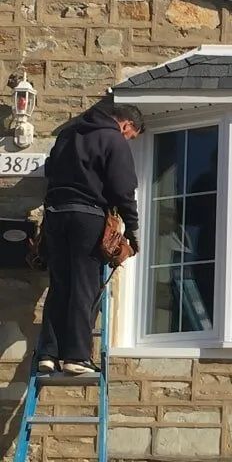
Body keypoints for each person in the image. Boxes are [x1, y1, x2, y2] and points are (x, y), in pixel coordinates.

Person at [38, 103, 145, 374]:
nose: (127, 140)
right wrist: (132, 230)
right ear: (126, 125)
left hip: (54, 214)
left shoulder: (67, 134)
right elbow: (123, 190)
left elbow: (50, 169)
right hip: (86, 217)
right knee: (84, 286)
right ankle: (76, 356)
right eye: (130, 136)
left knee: (60, 283)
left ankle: (48, 354)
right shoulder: (113, 139)